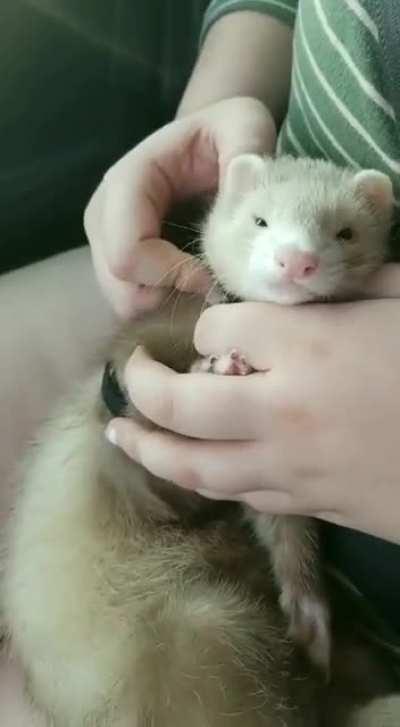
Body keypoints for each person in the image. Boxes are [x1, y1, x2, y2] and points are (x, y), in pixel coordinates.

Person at [1, 1, 400, 723]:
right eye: (262, 224)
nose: (297, 253)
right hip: (137, 557)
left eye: (340, 233)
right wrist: (213, 106)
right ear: (230, 207)